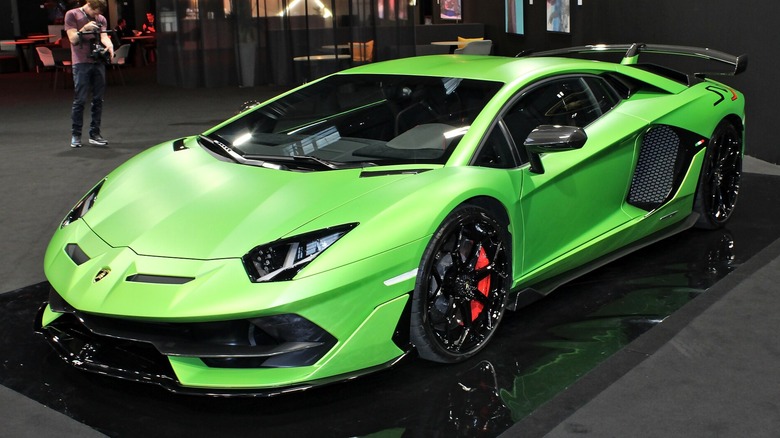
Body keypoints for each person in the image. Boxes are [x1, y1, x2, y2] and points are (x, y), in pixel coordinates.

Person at [64, 0, 114, 148]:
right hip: (81, 62)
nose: (97, 16)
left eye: (99, 13)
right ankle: (76, 135)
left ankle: (95, 134)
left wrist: (110, 46)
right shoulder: (72, 15)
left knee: (98, 99)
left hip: (98, 62)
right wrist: (84, 28)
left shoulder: (101, 19)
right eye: (95, 12)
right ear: (89, 5)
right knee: (80, 100)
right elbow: (73, 39)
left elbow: (104, 36)